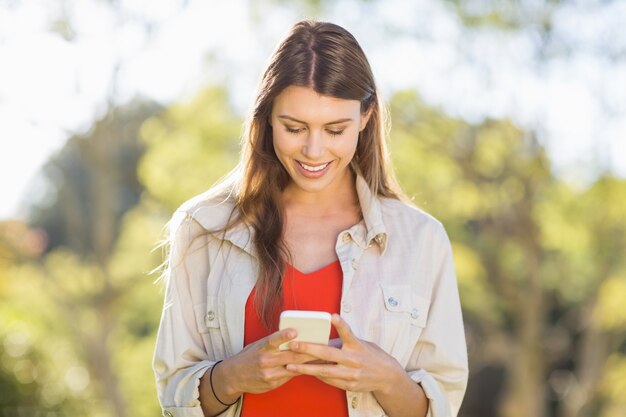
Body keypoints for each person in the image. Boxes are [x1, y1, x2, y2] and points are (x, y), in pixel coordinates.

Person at [153, 20, 468, 417]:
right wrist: (232, 376)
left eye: (335, 130)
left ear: (366, 117)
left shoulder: (422, 240)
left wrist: (386, 377)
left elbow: (442, 406)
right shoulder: (203, 228)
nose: (314, 151)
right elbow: (172, 396)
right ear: (267, 118)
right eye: (294, 127)